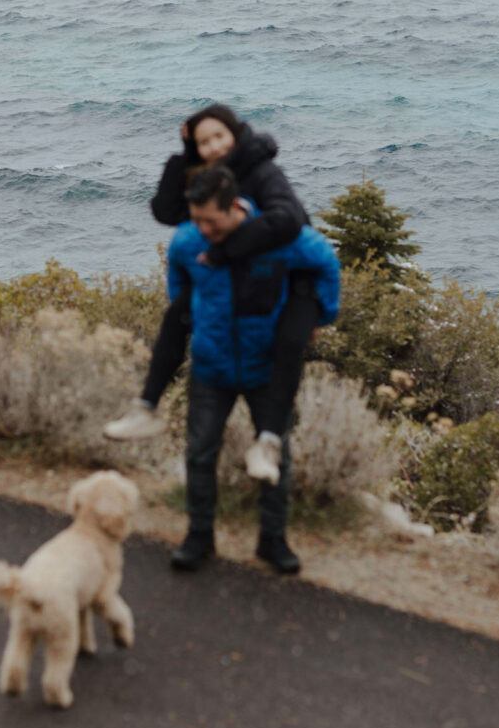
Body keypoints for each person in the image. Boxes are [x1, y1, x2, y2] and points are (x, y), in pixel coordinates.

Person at [104, 104, 313, 458]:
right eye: (204, 142)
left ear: (235, 132)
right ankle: (147, 408)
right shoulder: (211, 176)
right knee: (177, 317)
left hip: (282, 273)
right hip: (233, 275)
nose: (214, 147)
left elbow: (292, 219)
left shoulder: (261, 170)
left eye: (219, 136)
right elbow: (167, 212)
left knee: (285, 346)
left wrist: (227, 250)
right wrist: (186, 155)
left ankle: (272, 441)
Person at [166, 166, 340, 574]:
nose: (203, 228)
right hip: (212, 365)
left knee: (275, 455)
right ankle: (199, 537)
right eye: (197, 219)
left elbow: (326, 262)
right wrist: (191, 320)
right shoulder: (188, 241)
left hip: (267, 368)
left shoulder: (277, 239)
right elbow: (178, 283)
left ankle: (273, 540)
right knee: (200, 453)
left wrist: (319, 314)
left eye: (211, 219)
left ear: (233, 208)